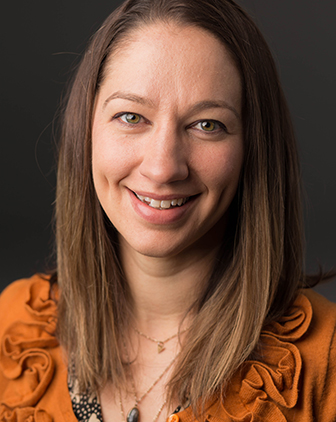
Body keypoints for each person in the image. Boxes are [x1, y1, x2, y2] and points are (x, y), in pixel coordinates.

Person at [0, 0, 335, 421]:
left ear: (254, 148)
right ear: (84, 132)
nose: (162, 168)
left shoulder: (327, 361)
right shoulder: (12, 327)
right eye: (131, 116)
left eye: (207, 124)